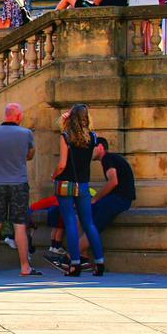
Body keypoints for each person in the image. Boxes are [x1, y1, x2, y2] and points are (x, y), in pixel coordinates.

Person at [0, 102, 40, 276]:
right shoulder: (26, 134)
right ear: (17, 116)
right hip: (19, 184)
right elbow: (30, 155)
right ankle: (24, 266)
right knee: (20, 226)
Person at [50, 105, 105, 277]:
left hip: (66, 183)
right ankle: (100, 262)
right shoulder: (93, 137)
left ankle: (74, 265)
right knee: (88, 223)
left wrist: (54, 175)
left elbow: (62, 164)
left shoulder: (66, 136)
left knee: (70, 222)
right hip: (83, 184)